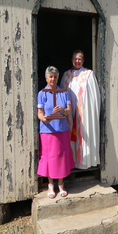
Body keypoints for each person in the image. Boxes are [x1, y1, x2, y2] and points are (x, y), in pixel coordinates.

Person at [37, 66, 75, 198]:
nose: (53, 79)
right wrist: (44, 119)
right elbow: (40, 113)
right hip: (47, 131)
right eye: (50, 76)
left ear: (58, 78)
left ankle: (61, 184)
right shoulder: (42, 93)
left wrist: (63, 110)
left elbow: (69, 111)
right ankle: (50, 185)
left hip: (62, 129)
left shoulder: (64, 92)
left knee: (61, 158)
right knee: (49, 158)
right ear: (46, 78)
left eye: (55, 76)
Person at [60, 50, 100, 169]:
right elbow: (61, 93)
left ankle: (83, 162)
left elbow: (94, 97)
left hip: (83, 112)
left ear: (83, 60)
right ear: (72, 60)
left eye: (80, 59)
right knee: (69, 134)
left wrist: (90, 110)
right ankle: (71, 162)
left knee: (83, 134)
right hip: (69, 111)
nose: (77, 61)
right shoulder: (66, 75)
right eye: (75, 59)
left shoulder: (88, 74)